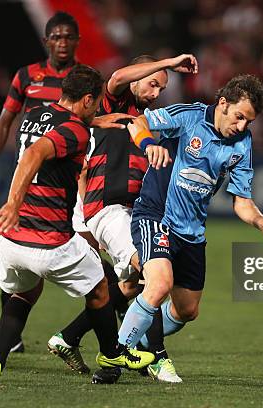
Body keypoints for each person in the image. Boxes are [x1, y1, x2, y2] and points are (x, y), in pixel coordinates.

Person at [0, 65, 154, 386]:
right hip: (50, 240)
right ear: (85, 99)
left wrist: (95, 121)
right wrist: (11, 203)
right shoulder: (77, 131)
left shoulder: (35, 113)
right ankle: (112, 354)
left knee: (25, 294)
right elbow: (35, 154)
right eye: (95, 104)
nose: (98, 108)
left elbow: (53, 133)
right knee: (100, 289)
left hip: (13, 241)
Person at [115, 74, 263, 382]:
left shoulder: (242, 143)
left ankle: (132, 335)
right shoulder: (188, 117)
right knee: (159, 284)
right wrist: (150, 144)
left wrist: (261, 221)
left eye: (249, 121)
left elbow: (242, 201)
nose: (242, 126)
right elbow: (137, 122)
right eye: (239, 117)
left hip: (192, 231)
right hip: (157, 215)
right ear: (223, 103)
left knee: (186, 311)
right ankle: (120, 356)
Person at [46, 54, 198, 383]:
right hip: (108, 207)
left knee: (130, 286)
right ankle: (156, 357)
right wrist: (169, 63)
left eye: (162, 87)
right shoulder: (114, 102)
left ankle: (70, 338)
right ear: (137, 78)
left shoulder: (150, 121)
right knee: (151, 270)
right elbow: (115, 77)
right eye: (153, 83)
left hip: (134, 212)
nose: (157, 92)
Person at [0, 12, 117, 355]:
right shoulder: (27, 77)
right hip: (40, 188)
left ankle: (119, 333)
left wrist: (104, 120)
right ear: (47, 41)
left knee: (37, 262)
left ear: (77, 42)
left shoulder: (84, 80)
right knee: (88, 276)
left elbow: (71, 126)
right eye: (57, 37)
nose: (63, 43)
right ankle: (111, 349)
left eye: (69, 37)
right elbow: (7, 122)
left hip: (74, 179)